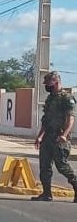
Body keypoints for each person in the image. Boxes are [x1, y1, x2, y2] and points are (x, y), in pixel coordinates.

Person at [32, 71, 77, 202]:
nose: (46, 86)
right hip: (47, 138)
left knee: (62, 166)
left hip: (59, 139)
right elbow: (46, 120)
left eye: (48, 83)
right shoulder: (50, 98)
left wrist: (64, 135)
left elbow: (71, 119)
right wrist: (40, 136)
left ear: (56, 82)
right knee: (44, 166)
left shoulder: (66, 98)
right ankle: (47, 194)